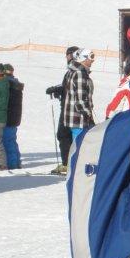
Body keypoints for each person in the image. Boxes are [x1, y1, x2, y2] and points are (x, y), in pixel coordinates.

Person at [46, 45, 79, 175]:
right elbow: (67, 86)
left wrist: (60, 90)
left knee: (64, 134)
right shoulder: (72, 70)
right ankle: (68, 162)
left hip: (70, 109)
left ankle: (68, 163)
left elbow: (71, 87)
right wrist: (58, 90)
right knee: (65, 135)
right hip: (67, 107)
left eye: (68, 55)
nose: (66, 58)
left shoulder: (75, 70)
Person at [62, 48, 95, 143]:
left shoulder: (74, 71)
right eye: (91, 57)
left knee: (79, 145)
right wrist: (88, 115)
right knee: (80, 146)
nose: (93, 60)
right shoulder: (80, 73)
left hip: (76, 117)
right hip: (79, 119)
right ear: (83, 58)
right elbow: (80, 99)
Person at [2, 64, 23, 169]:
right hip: (15, 117)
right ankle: (17, 161)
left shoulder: (7, 85)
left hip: (8, 117)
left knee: (7, 141)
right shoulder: (16, 83)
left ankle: (12, 164)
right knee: (12, 140)